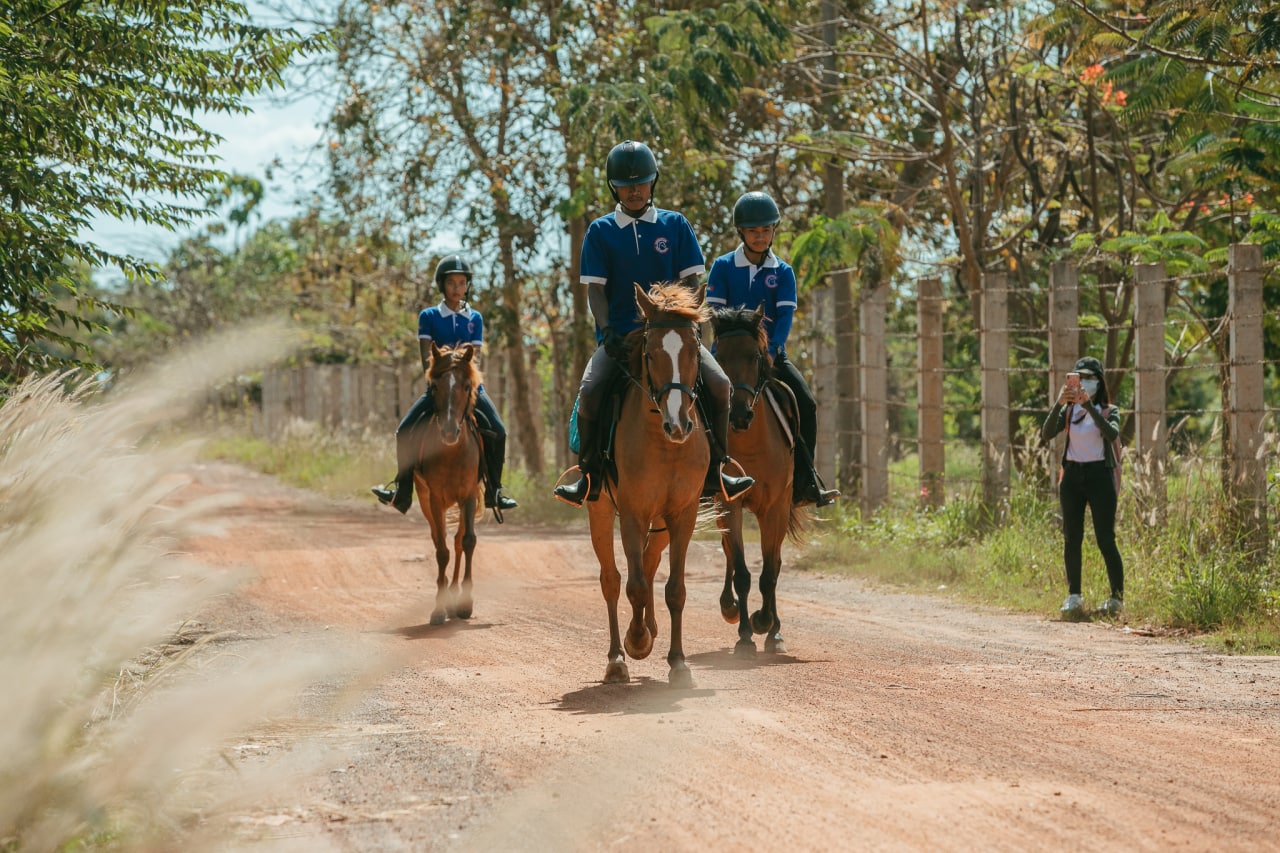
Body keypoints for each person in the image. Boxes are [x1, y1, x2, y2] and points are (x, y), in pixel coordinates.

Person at [553, 140, 754, 507]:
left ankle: (719, 468)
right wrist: (607, 330)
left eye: (641, 182)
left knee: (722, 384)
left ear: (653, 182)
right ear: (613, 187)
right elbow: (595, 291)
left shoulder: (675, 225)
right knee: (590, 388)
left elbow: (693, 282)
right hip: (622, 338)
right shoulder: (600, 231)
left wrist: (691, 326)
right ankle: (589, 473)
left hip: (673, 335)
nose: (634, 190)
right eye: (626, 184)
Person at [707, 190, 840, 508]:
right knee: (695, 399)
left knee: (806, 404)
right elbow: (716, 315)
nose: (760, 236)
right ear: (741, 231)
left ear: (773, 231)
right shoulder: (723, 267)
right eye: (753, 231)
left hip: (769, 354)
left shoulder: (783, 272)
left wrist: (772, 349)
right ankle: (703, 476)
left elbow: (784, 318)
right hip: (727, 356)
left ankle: (805, 480)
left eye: (766, 230)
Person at [372, 255, 518, 518]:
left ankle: (494, 490)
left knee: (499, 431)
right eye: (451, 283)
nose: (457, 288)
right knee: (404, 430)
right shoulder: (428, 316)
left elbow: (475, 359)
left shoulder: (476, 318)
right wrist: (443, 375)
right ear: (442, 285)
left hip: (469, 390)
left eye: (462, 283)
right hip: (439, 389)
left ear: (467, 286)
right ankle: (402, 491)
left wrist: (463, 379)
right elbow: (426, 357)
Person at [1041, 356, 1124, 617]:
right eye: (1079, 378)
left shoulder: (1110, 410)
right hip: (1073, 477)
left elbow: (1111, 434)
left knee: (1105, 539)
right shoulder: (1068, 411)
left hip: (1100, 475)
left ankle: (1116, 598)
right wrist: (1059, 402)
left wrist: (1089, 407)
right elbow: (1046, 433)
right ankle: (1074, 596)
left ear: (1099, 382)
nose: (1084, 383)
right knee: (1071, 537)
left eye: (1089, 378)